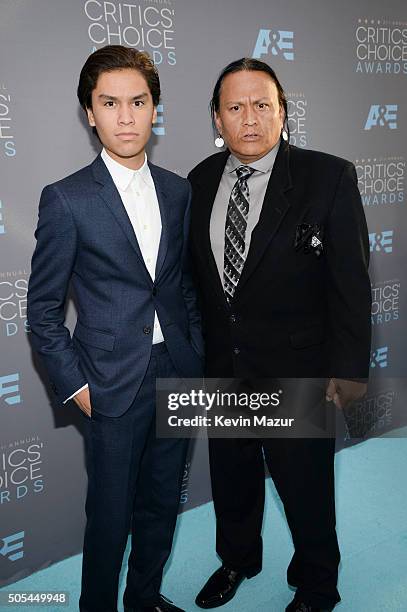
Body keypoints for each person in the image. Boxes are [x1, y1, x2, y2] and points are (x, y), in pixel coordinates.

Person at [188, 58, 371, 612]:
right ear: (216, 119)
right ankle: (239, 560)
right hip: (225, 367)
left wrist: (350, 369)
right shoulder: (197, 181)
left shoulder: (329, 176)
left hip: (299, 369)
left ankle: (318, 583)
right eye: (235, 107)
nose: (250, 119)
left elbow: (352, 283)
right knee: (234, 480)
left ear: (284, 113)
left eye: (262, 104)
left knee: (307, 490)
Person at [27, 45, 203, 612]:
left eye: (138, 102)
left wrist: (194, 353)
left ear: (155, 109)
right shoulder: (67, 199)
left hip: (175, 371)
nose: (125, 117)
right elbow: (43, 310)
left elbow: (183, 286)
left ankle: (145, 598)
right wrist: (75, 385)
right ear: (89, 113)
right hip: (109, 381)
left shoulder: (179, 191)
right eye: (110, 103)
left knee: (160, 502)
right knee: (109, 517)